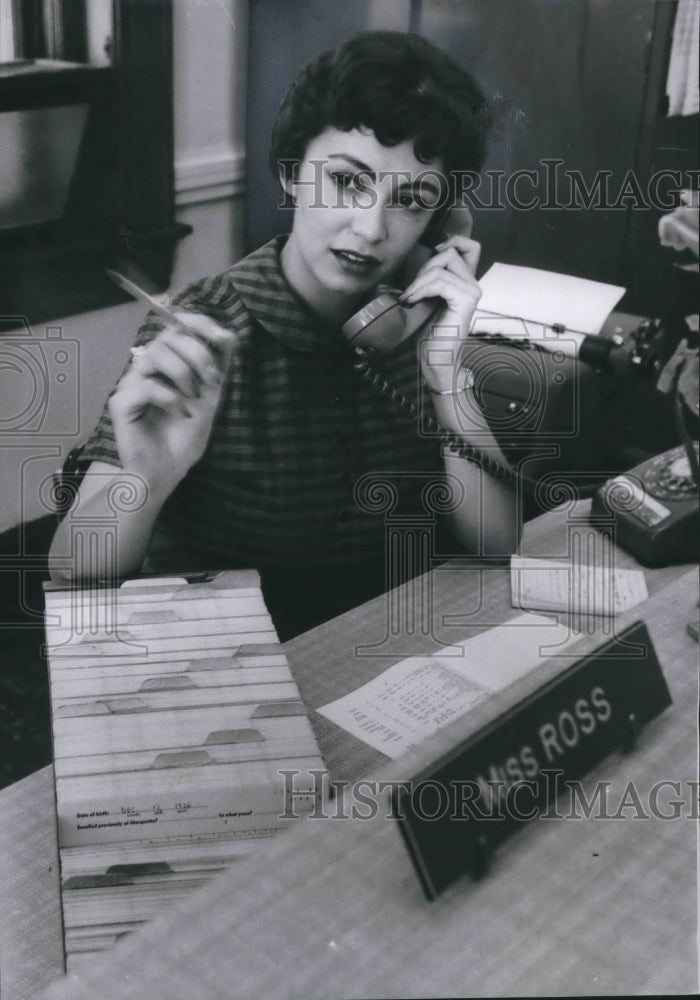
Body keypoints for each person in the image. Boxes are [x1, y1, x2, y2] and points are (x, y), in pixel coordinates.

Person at [49, 31, 520, 640]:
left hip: (382, 635)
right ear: (293, 173)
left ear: (442, 225)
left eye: (411, 200)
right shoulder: (207, 325)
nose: (371, 228)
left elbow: (498, 542)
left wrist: (445, 374)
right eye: (347, 182)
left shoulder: (420, 326)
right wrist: (147, 480)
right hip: (237, 645)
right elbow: (69, 564)